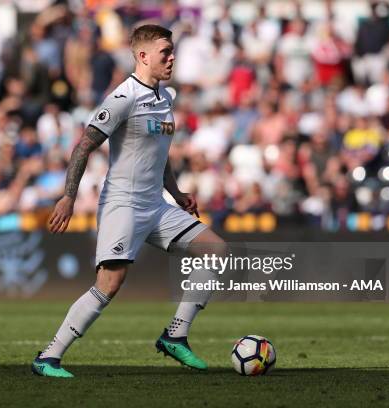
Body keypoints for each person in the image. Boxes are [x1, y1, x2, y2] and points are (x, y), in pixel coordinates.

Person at [31, 24, 225, 378]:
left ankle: (176, 335)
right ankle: (49, 356)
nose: (171, 58)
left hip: (157, 204)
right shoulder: (124, 98)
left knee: (215, 249)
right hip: (123, 204)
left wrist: (177, 193)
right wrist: (68, 197)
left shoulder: (166, 98)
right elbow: (84, 146)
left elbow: (159, 154)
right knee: (109, 285)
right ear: (143, 56)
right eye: (165, 52)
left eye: (172, 51)